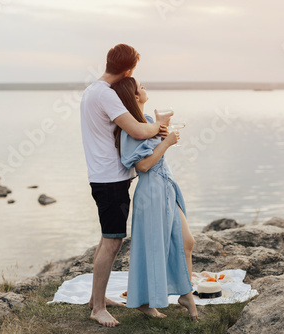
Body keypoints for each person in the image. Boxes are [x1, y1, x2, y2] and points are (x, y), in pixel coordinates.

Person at [80, 44, 172, 327]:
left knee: (106, 238)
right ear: (129, 70)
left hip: (102, 177)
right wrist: (160, 126)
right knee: (113, 242)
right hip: (110, 181)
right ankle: (97, 308)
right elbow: (136, 129)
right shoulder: (106, 95)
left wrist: (153, 127)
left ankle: (99, 297)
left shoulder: (91, 91)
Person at [111, 77, 198, 321]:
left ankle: (184, 294)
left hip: (166, 187)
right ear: (134, 96)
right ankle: (148, 303)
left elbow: (154, 151)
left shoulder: (148, 121)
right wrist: (167, 142)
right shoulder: (130, 131)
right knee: (151, 248)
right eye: (140, 87)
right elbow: (144, 165)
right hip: (150, 192)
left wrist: (162, 132)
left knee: (187, 241)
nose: (144, 87)